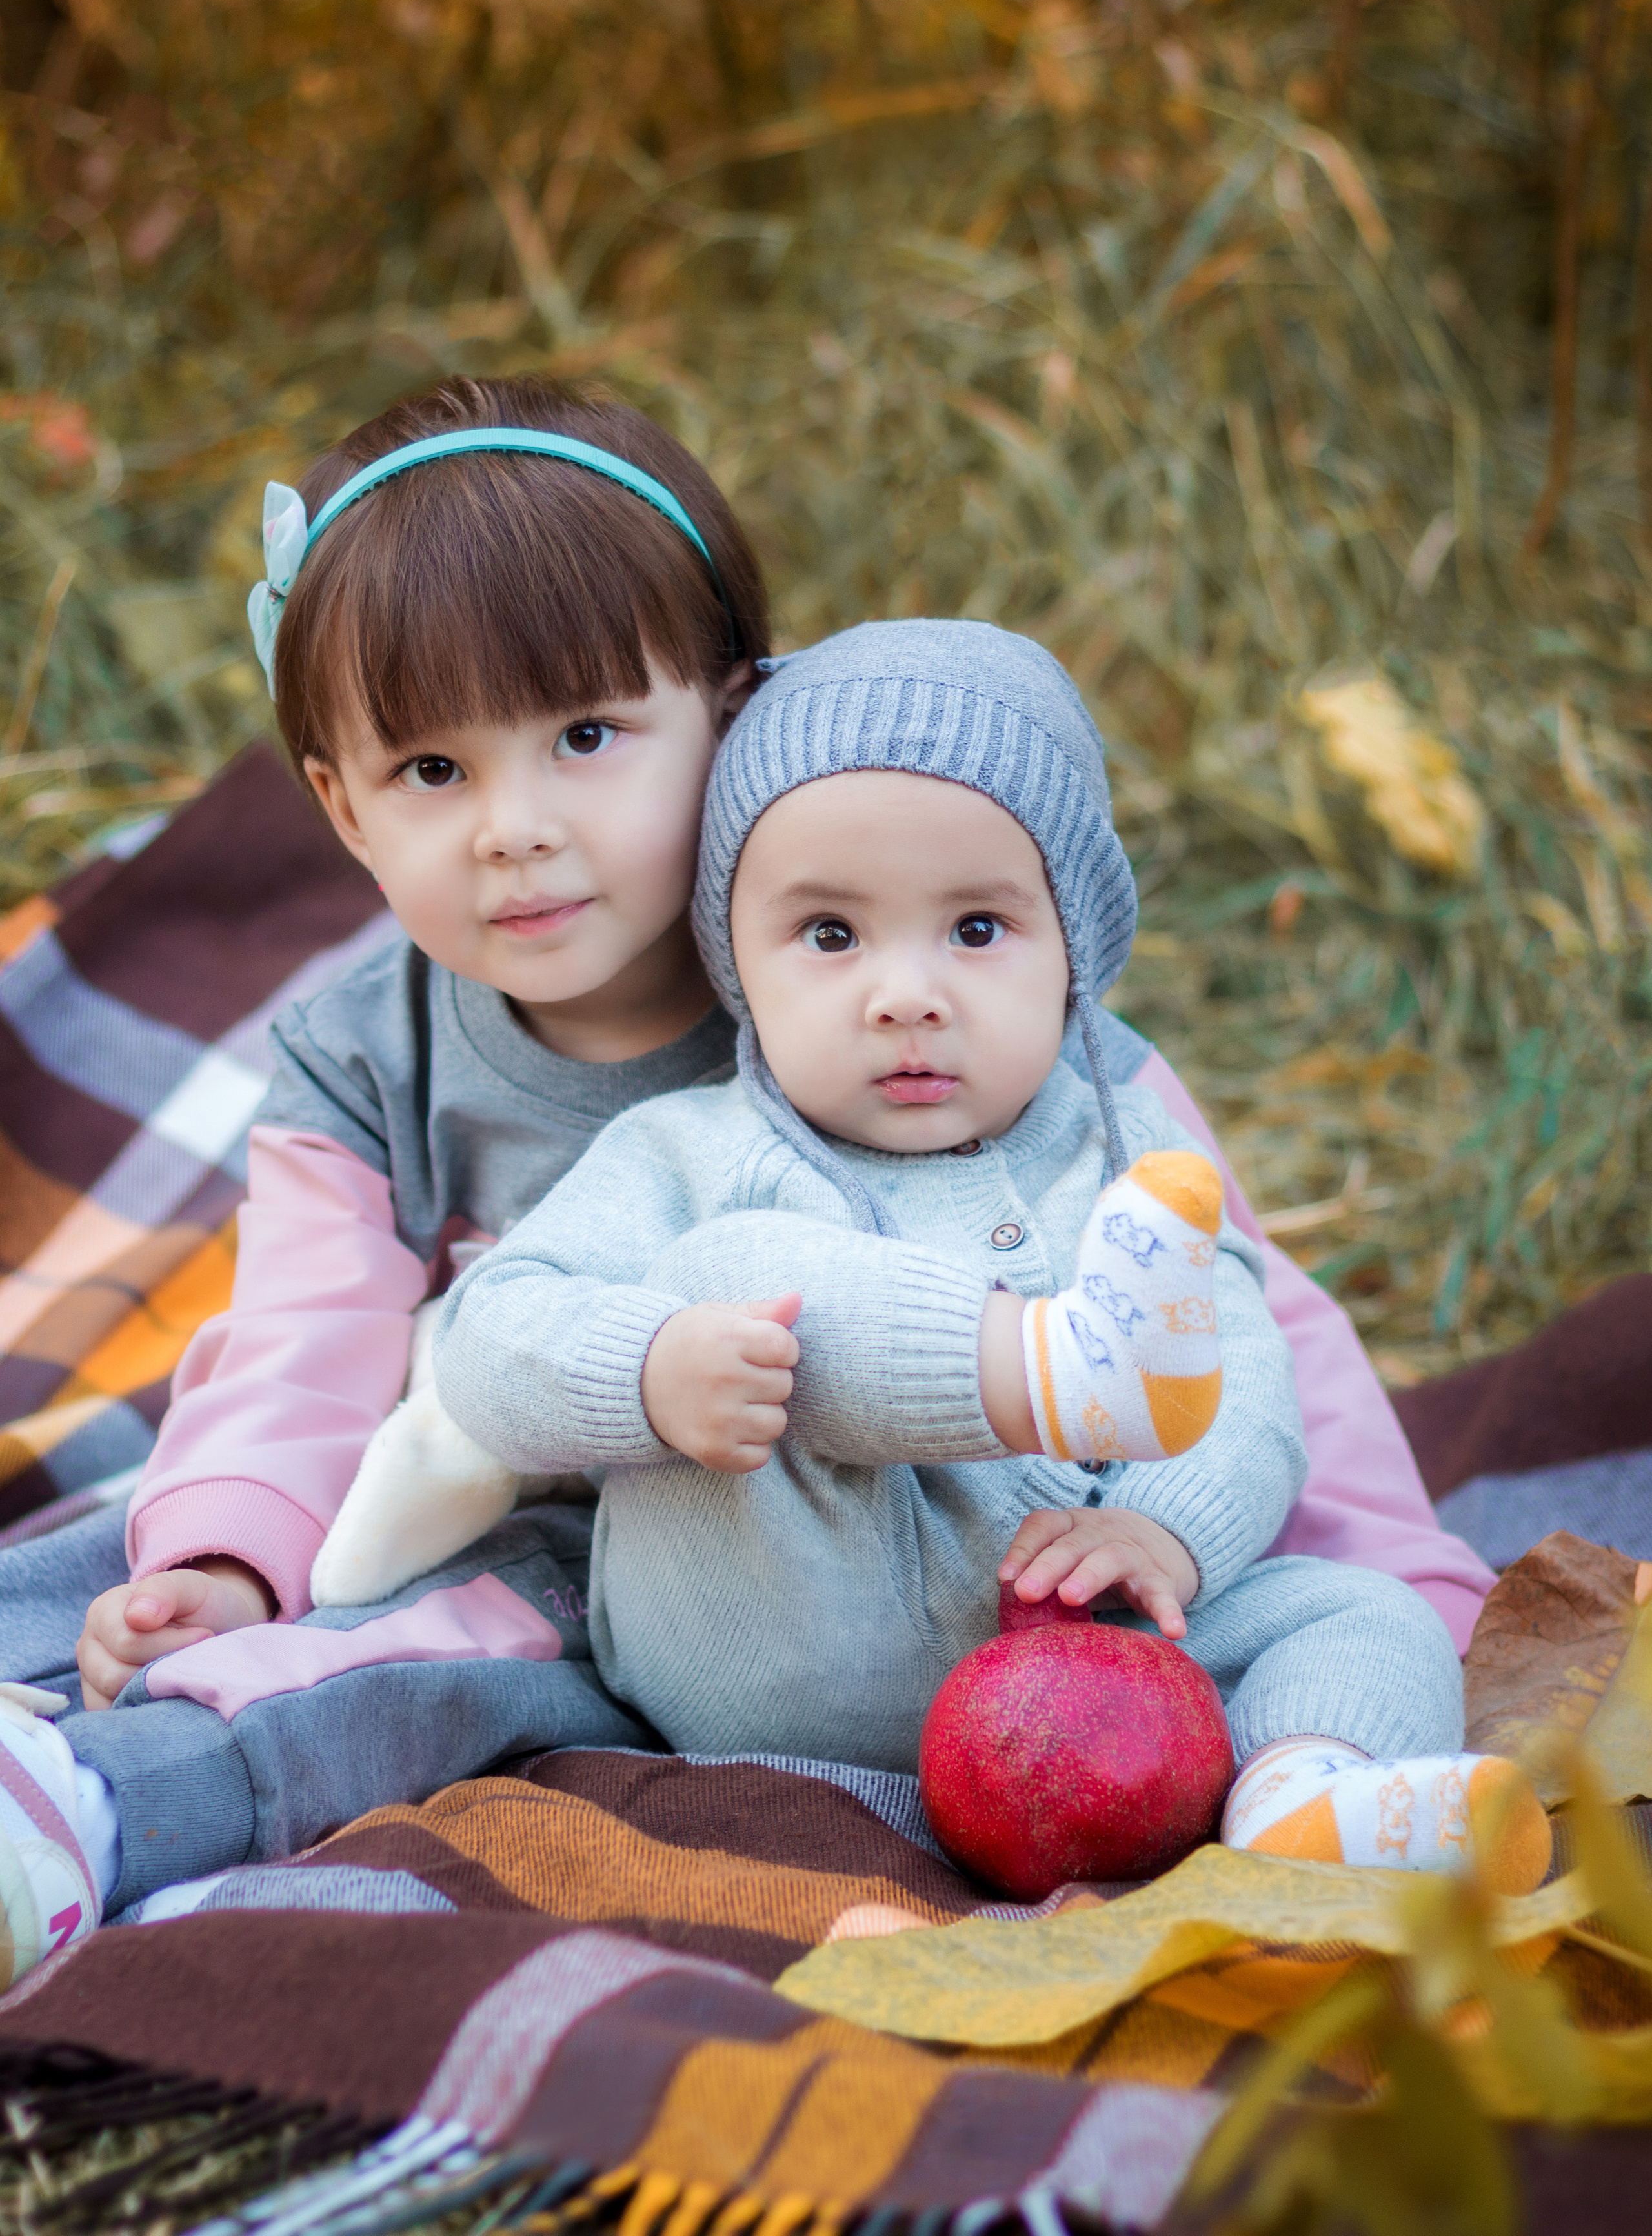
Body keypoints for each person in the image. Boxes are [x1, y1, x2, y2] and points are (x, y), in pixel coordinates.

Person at [0, 388, 1491, 1988]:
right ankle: (84, 1804)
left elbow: (1227, 1299)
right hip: (592, 1520)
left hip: (971, 1526)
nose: (517, 832)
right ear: (339, 804)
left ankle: (1320, 1780)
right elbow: (303, 1341)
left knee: (1324, 1621)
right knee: (276, 1623)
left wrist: (1385, 1566)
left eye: (585, 737)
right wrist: (228, 1558)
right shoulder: (370, 1059)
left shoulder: (899, 977)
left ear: (728, 716)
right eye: (431, 768)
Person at [435, 619, 1549, 1892]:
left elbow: (1243, 1381)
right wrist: (648, 1372)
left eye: (975, 930)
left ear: (1075, 953)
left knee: (1363, 1613)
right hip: (792, 1632)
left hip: (1090, 1668)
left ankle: (1301, 1798)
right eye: (830, 936)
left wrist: (1164, 1535)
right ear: (733, 955)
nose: (905, 996)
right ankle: (1055, 1369)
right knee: (732, 1272)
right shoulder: (690, 1151)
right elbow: (487, 1333)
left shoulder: (1123, 1152)